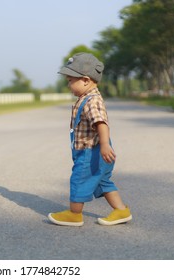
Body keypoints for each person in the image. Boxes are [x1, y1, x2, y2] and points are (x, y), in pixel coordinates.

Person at [48, 52, 132, 226]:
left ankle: (74, 214)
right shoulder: (85, 98)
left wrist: (104, 145)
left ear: (85, 80)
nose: (68, 84)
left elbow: (101, 122)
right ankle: (121, 210)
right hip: (95, 152)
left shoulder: (92, 101)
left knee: (79, 179)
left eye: (71, 80)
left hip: (92, 153)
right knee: (103, 182)